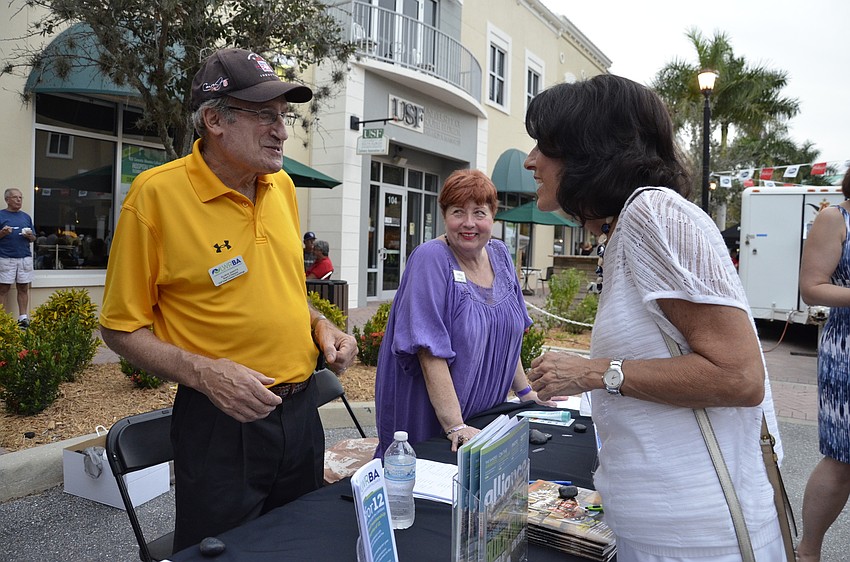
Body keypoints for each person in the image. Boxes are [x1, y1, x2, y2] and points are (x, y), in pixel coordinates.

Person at [98, 47, 357, 551]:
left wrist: (319, 326)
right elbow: (118, 327)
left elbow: (280, 287)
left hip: (301, 415)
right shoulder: (155, 197)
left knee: (304, 545)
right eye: (265, 115)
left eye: (283, 116)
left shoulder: (280, 186)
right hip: (222, 424)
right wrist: (205, 374)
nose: (281, 130)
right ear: (214, 119)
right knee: (223, 553)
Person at [522, 75, 786, 560]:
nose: (530, 160)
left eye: (546, 146)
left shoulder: (653, 214)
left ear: (588, 151)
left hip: (698, 535)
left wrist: (592, 371)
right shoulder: (631, 224)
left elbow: (740, 376)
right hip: (666, 524)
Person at [373, 169, 552, 457]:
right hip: (435, 422)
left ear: (493, 215)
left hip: (483, 419)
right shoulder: (430, 259)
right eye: (458, 212)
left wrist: (525, 393)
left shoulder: (500, 255)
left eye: (479, 213)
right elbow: (429, 352)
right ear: (444, 215)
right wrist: (455, 425)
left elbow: (506, 336)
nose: (469, 224)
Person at [796, 167, 850, 562]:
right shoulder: (836, 217)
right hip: (848, 347)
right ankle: (808, 550)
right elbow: (812, 285)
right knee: (843, 456)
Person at [0, 188, 37, 327]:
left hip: (24, 257)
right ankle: (2, 320)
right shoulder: (1, 215)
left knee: (23, 287)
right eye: (15, 197)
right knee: (3, 289)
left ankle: (23, 318)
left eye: (20, 197)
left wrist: (29, 236)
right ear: (7, 199)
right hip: (5, 257)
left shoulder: (26, 217)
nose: (19, 200)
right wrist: (2, 233)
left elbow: (33, 238)